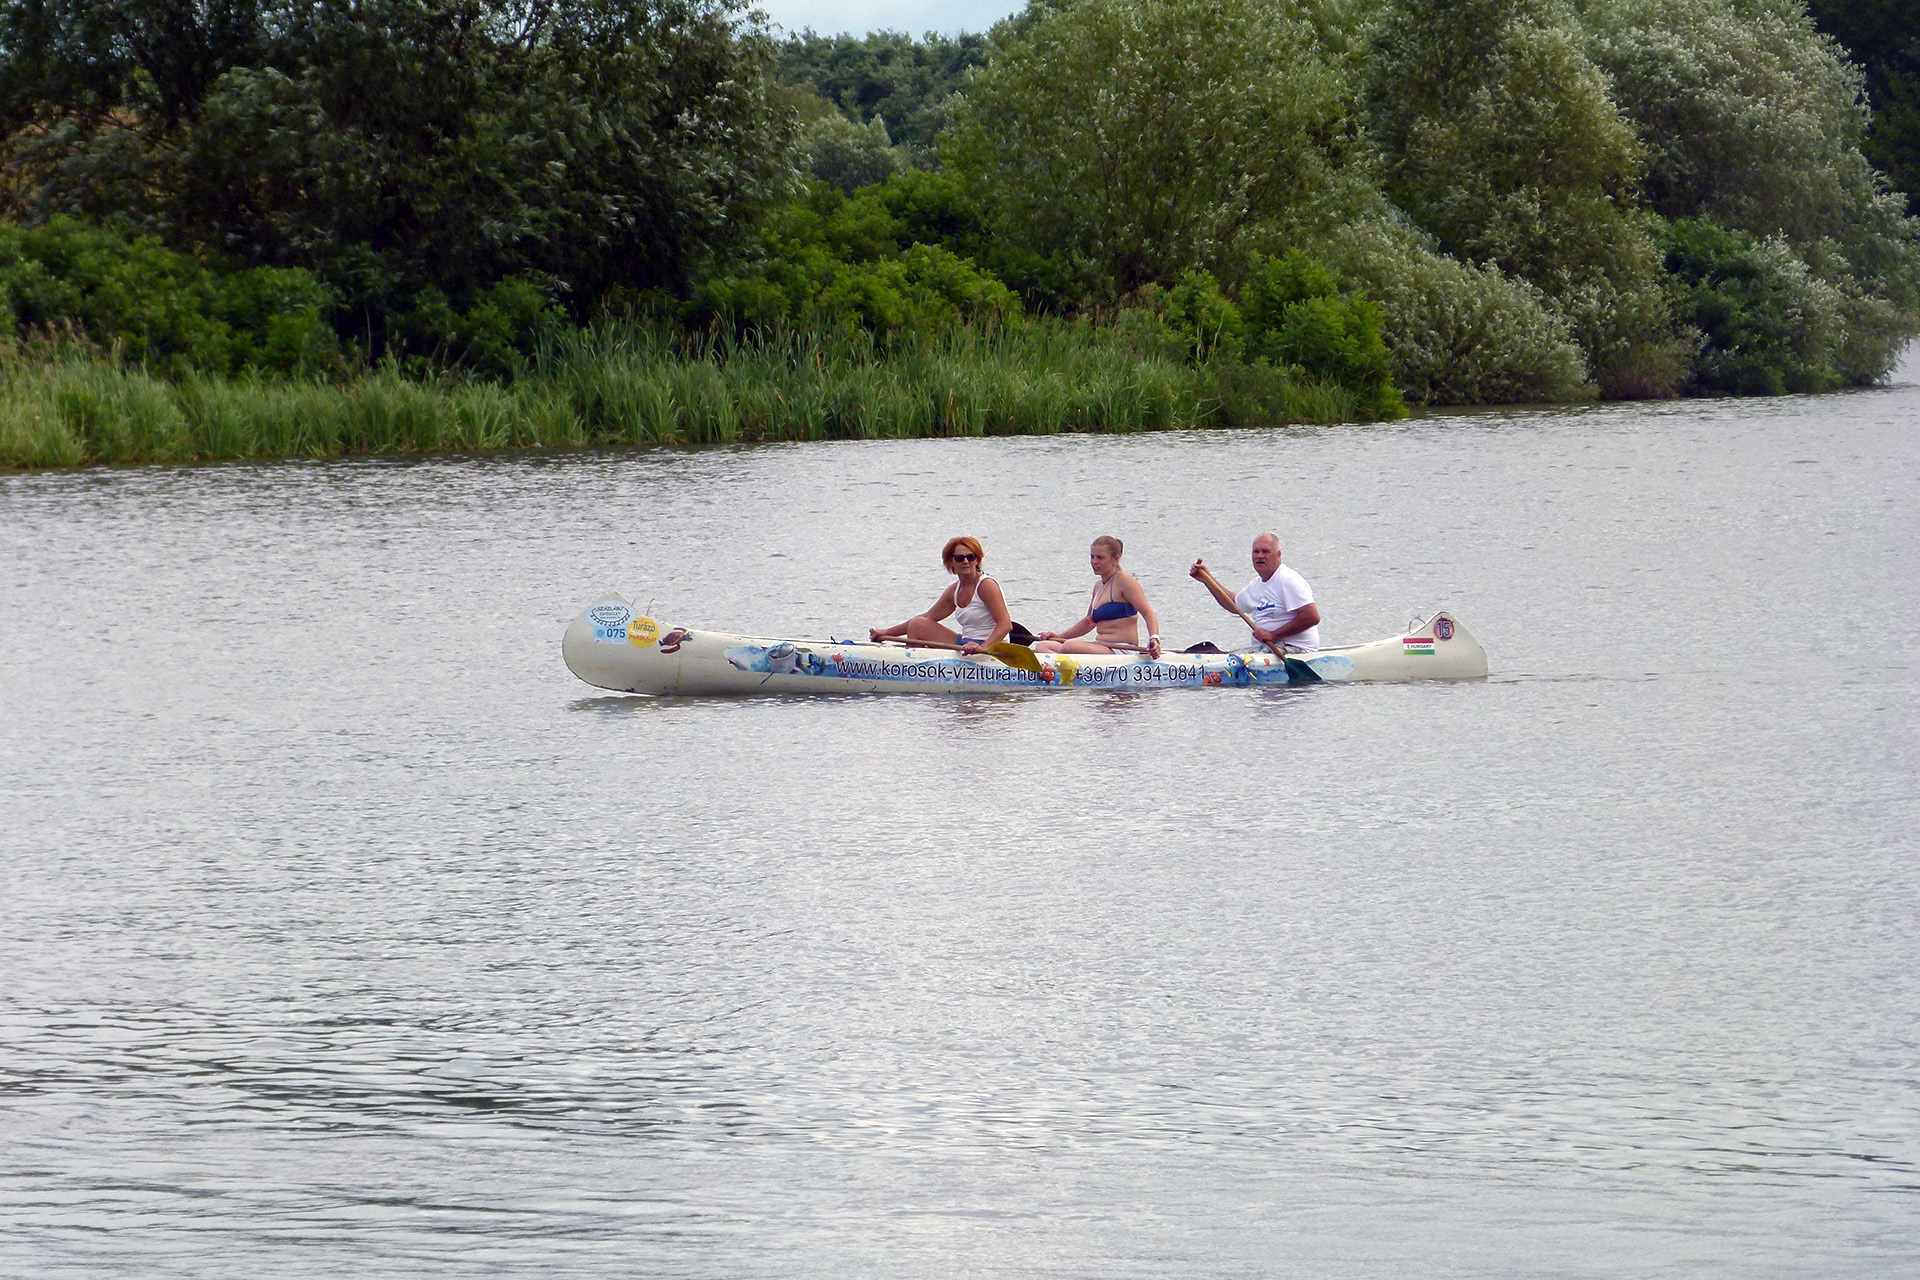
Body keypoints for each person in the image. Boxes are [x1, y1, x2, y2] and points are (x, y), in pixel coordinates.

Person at [870, 536, 1012, 655]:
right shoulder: (954, 590)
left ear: (977, 560)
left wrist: (983, 647)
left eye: (970, 557)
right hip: (965, 644)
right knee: (917, 624)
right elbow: (928, 617)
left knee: (918, 624)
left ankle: (915, 667)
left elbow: (1005, 624)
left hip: (990, 648)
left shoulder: (987, 585)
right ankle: (915, 665)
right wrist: (887, 632)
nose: (966, 562)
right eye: (959, 558)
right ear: (951, 562)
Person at [1033, 535, 1163, 659]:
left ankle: (1062, 665)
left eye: (1100, 558)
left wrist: (1154, 638)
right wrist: (1058, 637)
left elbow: (1148, 612)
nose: (1094, 562)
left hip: (1122, 651)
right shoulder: (1098, 586)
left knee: (1069, 646)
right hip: (1101, 647)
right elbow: (1089, 622)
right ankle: (1060, 667)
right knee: (1043, 646)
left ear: (1115, 559)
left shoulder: (1125, 581)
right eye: (1092, 557)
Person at [1191, 532, 1321, 652]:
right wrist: (1207, 580)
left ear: (1278, 555)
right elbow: (1233, 604)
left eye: (1266, 551)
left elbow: (1312, 617)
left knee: (1245, 662)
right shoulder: (1256, 585)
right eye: (1256, 552)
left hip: (1295, 649)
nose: (1260, 556)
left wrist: (1273, 635)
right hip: (1266, 650)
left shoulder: (1288, 580)